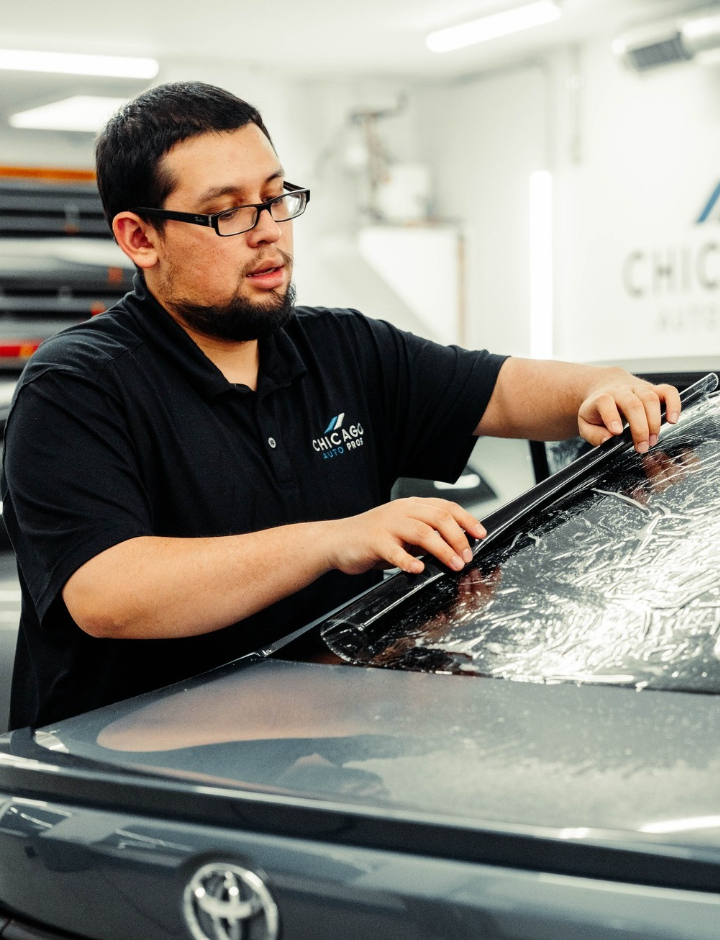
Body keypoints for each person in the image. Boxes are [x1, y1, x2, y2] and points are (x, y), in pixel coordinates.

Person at [0, 82, 681, 730]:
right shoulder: (76, 388)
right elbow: (108, 595)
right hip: (126, 790)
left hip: (331, 755)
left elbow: (496, 387)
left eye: (275, 197)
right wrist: (332, 540)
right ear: (139, 237)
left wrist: (595, 388)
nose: (268, 231)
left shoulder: (342, 347)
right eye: (229, 212)